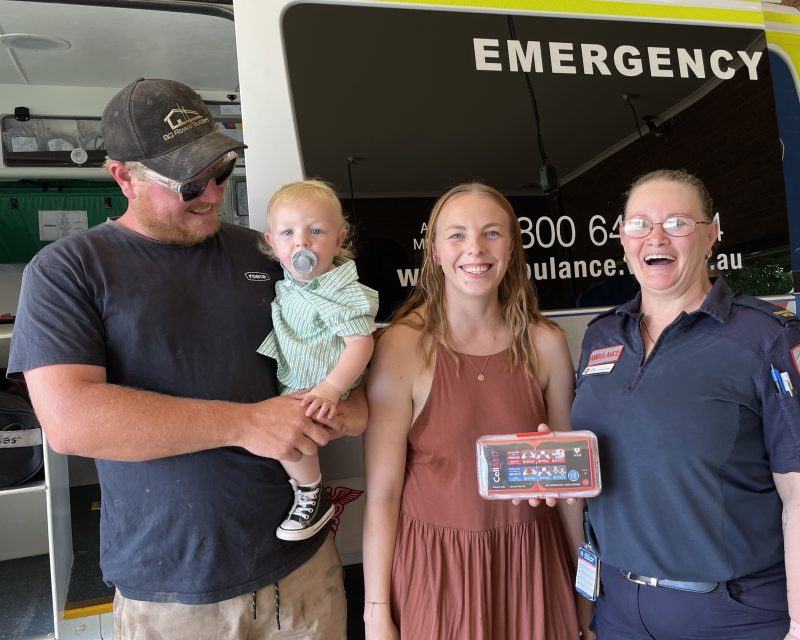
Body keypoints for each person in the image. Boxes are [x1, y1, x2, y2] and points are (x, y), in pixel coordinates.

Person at [7, 78, 366, 640]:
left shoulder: (264, 252)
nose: (215, 194)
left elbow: (338, 348)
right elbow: (70, 422)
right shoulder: (65, 270)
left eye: (221, 171)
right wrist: (248, 423)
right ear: (122, 176)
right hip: (173, 592)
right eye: (190, 183)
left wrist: (347, 407)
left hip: (303, 571)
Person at [572, 169, 800, 639]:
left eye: (677, 222)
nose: (656, 237)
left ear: (712, 232)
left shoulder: (767, 337)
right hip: (618, 610)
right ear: (621, 237)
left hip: (732, 616)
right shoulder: (599, 337)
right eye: (639, 224)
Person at [362, 183, 591, 639]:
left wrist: (585, 593)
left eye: (491, 233)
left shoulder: (546, 343)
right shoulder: (403, 346)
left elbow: (571, 488)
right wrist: (376, 612)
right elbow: (384, 494)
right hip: (436, 569)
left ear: (511, 247)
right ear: (434, 251)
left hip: (533, 563)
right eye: (457, 235)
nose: (475, 249)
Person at [257, 180, 378, 541]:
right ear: (272, 243)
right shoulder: (291, 280)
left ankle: (312, 494)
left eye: (316, 231)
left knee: (290, 432)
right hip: (302, 376)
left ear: (339, 241)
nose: (302, 242)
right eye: (288, 232)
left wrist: (331, 388)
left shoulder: (341, 290)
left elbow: (361, 343)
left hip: (326, 381)